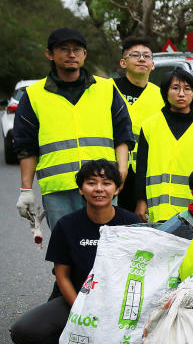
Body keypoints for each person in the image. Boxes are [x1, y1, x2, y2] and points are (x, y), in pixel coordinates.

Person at [9, 160, 140, 344]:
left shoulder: (131, 223)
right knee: (23, 331)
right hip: (79, 298)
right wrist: (81, 312)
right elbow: (62, 277)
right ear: (81, 189)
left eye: (106, 183)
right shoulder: (66, 225)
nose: (99, 189)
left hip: (120, 302)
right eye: (91, 183)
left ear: (117, 189)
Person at [13, 28, 134, 232]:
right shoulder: (34, 96)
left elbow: (123, 134)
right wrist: (26, 189)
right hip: (59, 192)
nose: (71, 54)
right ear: (49, 54)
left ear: (84, 54)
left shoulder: (106, 89)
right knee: (66, 252)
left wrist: (121, 171)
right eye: (64, 49)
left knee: (104, 249)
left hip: (101, 185)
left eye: (77, 49)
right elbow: (26, 147)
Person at [134, 68, 193, 223]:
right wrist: (141, 201)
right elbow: (141, 168)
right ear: (165, 92)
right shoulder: (150, 126)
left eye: (187, 89)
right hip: (158, 211)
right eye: (175, 88)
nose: (181, 94)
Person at [113, 36, 164, 211]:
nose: (141, 59)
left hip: (145, 172)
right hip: (110, 169)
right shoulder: (107, 89)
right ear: (123, 63)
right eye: (135, 55)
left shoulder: (162, 96)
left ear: (153, 64)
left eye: (147, 56)